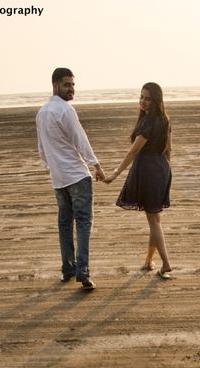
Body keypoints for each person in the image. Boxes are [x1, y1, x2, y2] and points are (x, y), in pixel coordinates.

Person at [36, 68, 105, 290]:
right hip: (77, 176)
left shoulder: (42, 112)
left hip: (58, 179)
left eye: (73, 85)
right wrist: (96, 165)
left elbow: (42, 150)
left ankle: (68, 269)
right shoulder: (65, 110)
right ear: (55, 85)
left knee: (65, 224)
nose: (71, 89)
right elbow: (80, 140)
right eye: (67, 85)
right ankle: (82, 272)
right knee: (83, 223)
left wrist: (54, 168)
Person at [104, 82, 173, 279]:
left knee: (153, 220)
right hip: (162, 169)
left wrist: (115, 174)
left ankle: (166, 264)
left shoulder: (147, 123)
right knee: (154, 218)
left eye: (148, 98)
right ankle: (149, 261)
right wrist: (165, 171)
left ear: (156, 101)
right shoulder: (165, 119)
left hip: (149, 172)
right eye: (142, 97)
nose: (143, 101)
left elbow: (133, 151)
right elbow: (169, 149)